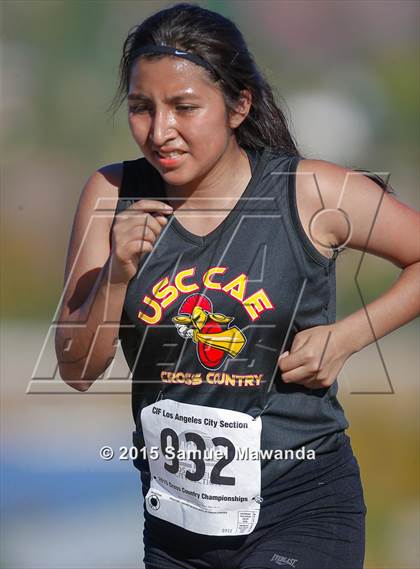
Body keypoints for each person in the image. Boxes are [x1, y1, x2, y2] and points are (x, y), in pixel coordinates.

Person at [55, 3, 419, 568]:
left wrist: (346, 337)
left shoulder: (310, 192)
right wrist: (115, 276)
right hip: (176, 525)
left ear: (238, 105)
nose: (160, 131)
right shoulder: (110, 195)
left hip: (302, 506)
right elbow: (77, 371)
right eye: (141, 109)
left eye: (184, 108)